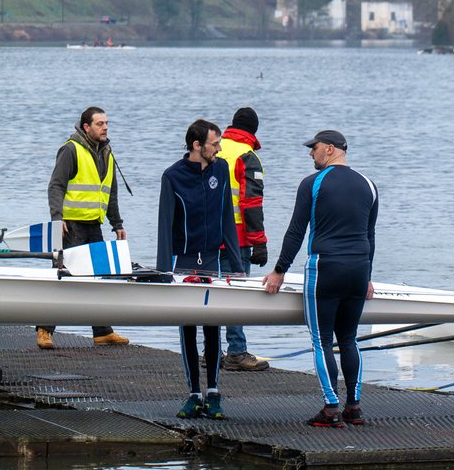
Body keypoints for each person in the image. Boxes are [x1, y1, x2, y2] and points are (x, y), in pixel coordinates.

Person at [262, 129, 378, 429]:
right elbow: (369, 235)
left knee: (321, 340)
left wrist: (279, 270)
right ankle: (354, 407)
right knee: (349, 338)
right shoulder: (369, 185)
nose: (310, 153)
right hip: (359, 268)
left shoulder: (312, 183)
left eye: (313, 148)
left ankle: (330, 408)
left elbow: (296, 231)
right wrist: (368, 276)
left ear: (329, 149)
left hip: (325, 268)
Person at [157, 119, 241, 420]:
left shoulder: (221, 169)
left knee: (213, 325)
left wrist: (237, 266)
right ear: (197, 145)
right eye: (214, 144)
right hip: (185, 261)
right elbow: (164, 225)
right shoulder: (172, 177)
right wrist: (164, 272)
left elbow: (227, 218)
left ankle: (214, 393)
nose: (219, 148)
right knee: (189, 327)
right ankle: (194, 393)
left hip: (213, 259)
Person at [36, 106, 130, 350]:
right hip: (70, 226)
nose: (105, 127)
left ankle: (102, 331)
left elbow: (111, 193)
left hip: (94, 225)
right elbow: (55, 186)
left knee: (98, 278)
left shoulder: (107, 152)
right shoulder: (71, 150)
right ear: (86, 127)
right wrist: (57, 218)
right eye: (100, 124)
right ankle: (44, 329)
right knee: (63, 278)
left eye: (107, 123)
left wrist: (117, 224)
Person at [215, 106, 270, 372]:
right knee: (236, 295)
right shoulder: (247, 156)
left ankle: (211, 352)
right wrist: (259, 241)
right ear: (253, 131)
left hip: (207, 236)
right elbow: (251, 202)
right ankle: (236, 352)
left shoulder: (214, 147)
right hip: (237, 239)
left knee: (210, 294)